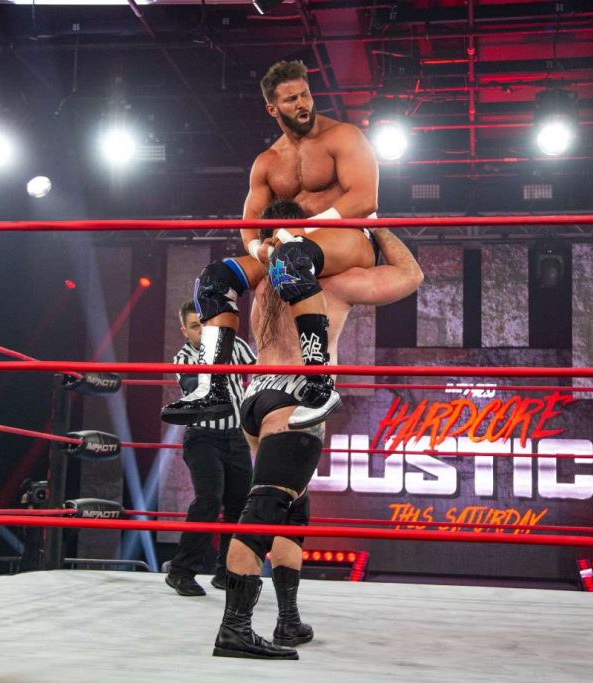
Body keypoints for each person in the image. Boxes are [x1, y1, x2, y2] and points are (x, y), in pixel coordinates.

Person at [213, 199, 424, 660]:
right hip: (294, 398)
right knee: (266, 508)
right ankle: (234, 628)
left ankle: (288, 620)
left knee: (292, 510)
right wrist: (374, 223)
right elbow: (410, 275)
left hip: (256, 397)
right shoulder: (333, 281)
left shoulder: (265, 279)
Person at [161, 59, 382, 430]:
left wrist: (301, 231)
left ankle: (319, 385)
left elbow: (364, 199)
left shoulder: (343, 137)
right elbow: (249, 224)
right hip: (288, 246)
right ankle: (213, 388)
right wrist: (258, 250)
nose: (303, 104)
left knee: (291, 258)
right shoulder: (268, 162)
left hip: (349, 238)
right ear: (273, 108)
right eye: (291, 99)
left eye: (305, 94)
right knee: (214, 279)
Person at [164, 301, 257, 597]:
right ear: (185, 331)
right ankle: (181, 572)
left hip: (236, 437)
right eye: (195, 326)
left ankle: (226, 573)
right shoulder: (184, 357)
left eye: (206, 324)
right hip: (203, 438)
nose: (203, 331)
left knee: (239, 505)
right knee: (209, 500)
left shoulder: (236, 346)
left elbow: (262, 370)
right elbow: (196, 386)